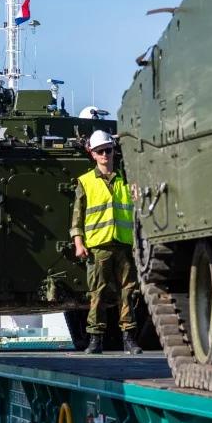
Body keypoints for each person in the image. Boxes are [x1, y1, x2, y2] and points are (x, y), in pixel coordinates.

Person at [70, 130, 142, 355]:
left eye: (108, 150)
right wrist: (79, 243)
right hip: (98, 246)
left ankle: (129, 338)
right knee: (98, 293)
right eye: (100, 151)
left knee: (128, 292)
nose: (105, 155)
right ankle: (95, 339)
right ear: (92, 154)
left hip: (123, 244)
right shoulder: (86, 182)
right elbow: (77, 216)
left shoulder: (126, 180)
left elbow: (137, 211)